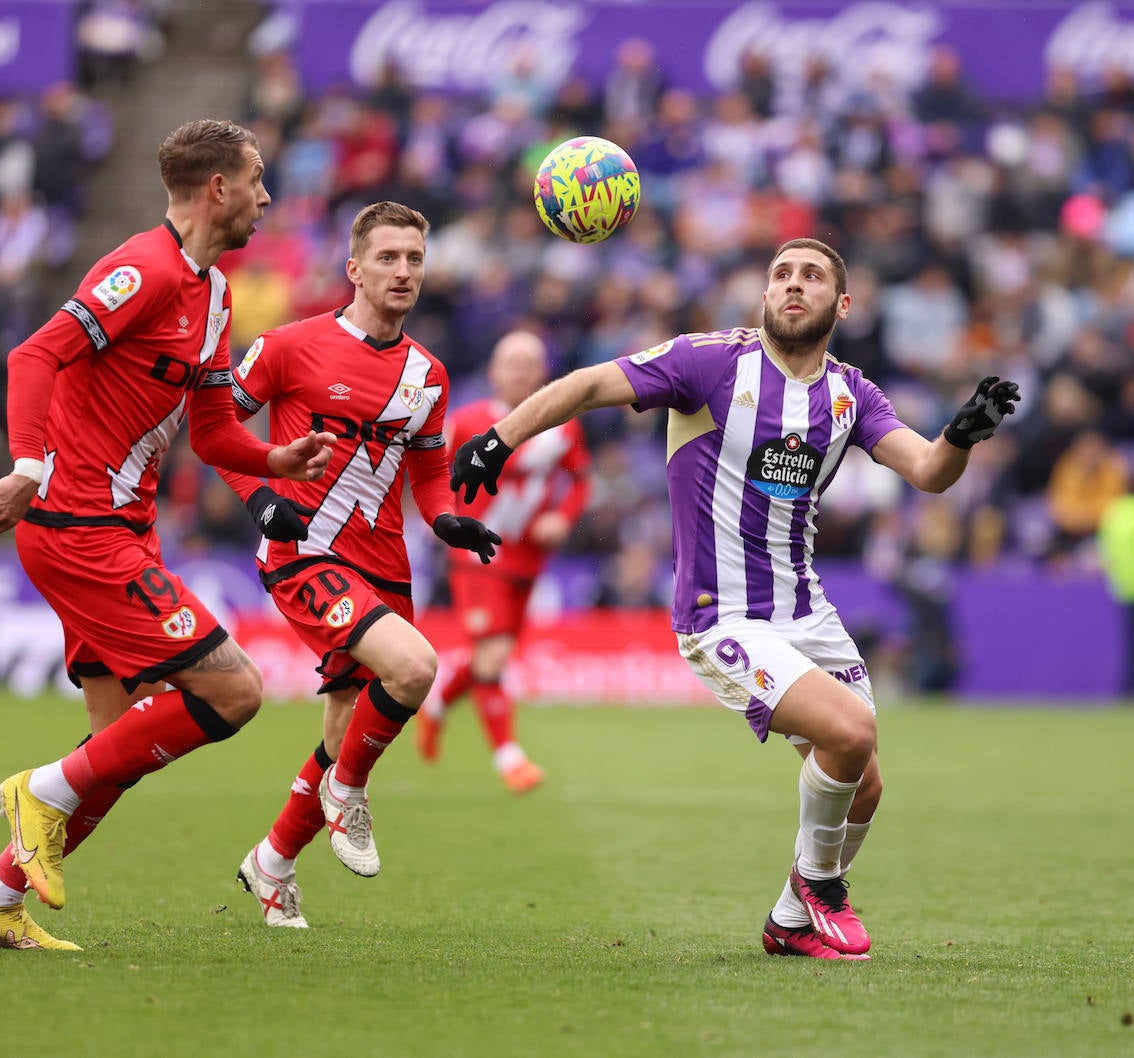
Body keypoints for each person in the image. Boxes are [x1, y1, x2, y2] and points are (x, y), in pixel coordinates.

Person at [450, 238, 1020, 960]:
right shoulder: (710, 361)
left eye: (811, 276)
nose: (792, 285)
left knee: (865, 787)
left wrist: (963, 436)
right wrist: (499, 439)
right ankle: (821, 886)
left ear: (841, 304)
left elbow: (930, 472)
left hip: (805, 611)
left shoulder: (852, 395)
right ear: (763, 295)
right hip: (721, 613)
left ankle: (787, 921)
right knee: (850, 734)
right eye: (781, 274)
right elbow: (593, 383)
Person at [0, 119, 336, 951]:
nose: (269, 196)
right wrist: (27, 465)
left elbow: (210, 430)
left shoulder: (214, 293)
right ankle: (41, 789)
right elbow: (32, 356)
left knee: (117, 747)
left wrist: (276, 458)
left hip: (120, 528)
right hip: (78, 526)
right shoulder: (144, 269)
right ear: (217, 190)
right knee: (233, 692)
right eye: (258, 178)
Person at [220, 200, 500, 928]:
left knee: (344, 727)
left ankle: (273, 864)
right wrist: (258, 499)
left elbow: (429, 471)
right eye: (388, 257)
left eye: (413, 259)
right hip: (304, 552)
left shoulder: (428, 375)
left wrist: (447, 520)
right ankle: (348, 793)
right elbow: (215, 427)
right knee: (413, 670)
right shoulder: (289, 346)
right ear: (353, 268)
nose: (403, 271)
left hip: (385, 566)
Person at [417, 329, 592, 793]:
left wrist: (562, 517)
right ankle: (509, 758)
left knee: (489, 656)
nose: (519, 372)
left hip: (528, 558)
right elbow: (429, 473)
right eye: (510, 363)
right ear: (493, 372)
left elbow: (580, 481)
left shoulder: (562, 426)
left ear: (542, 373)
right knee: (493, 658)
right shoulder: (467, 420)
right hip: (477, 555)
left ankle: (435, 706)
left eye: (528, 364)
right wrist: (439, 520)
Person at [1096, 437, 1134, 698]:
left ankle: (1127, 693)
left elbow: (1106, 549)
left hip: (1126, 588)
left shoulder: (1115, 511)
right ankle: (1128, 693)